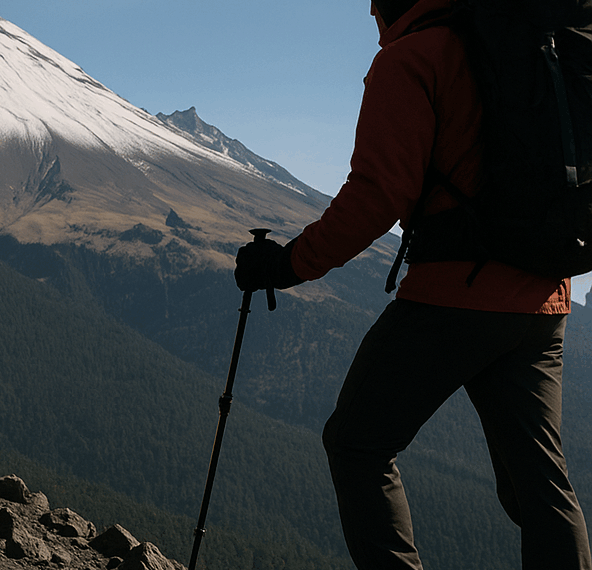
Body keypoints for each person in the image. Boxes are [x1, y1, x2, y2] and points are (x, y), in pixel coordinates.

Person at [233, 0, 592, 568]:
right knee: (541, 487)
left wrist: (285, 266)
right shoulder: (519, 41)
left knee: (356, 443)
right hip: (545, 297)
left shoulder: (413, 57)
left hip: (455, 294)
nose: (371, 16)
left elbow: (377, 194)